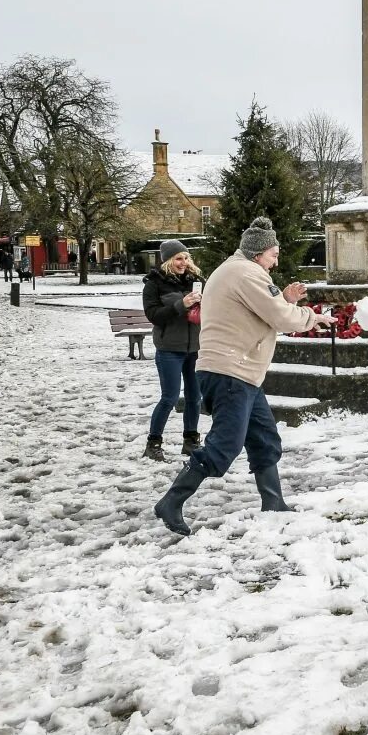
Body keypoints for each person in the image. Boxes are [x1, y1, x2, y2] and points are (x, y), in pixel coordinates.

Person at [153, 217, 335, 536]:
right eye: (274, 255)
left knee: (264, 438)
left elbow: (261, 310)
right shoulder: (247, 272)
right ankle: (171, 502)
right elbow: (278, 316)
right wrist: (311, 316)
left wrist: (288, 301)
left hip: (240, 371)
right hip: (231, 371)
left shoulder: (237, 271)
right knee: (225, 445)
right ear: (258, 253)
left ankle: (274, 502)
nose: (276, 261)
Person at [141, 240, 204, 461]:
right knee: (169, 397)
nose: (183, 262)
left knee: (195, 397)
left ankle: (191, 441)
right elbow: (154, 316)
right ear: (168, 260)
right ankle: (153, 442)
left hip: (194, 348)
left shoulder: (195, 280)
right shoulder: (154, 284)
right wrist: (181, 305)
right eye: (178, 258)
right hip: (169, 349)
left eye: (186, 258)